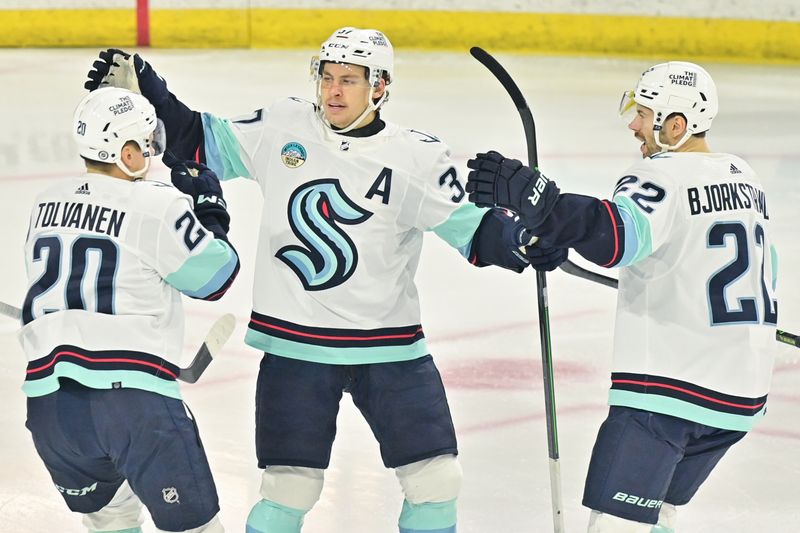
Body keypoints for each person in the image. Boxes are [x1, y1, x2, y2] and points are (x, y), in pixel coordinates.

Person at [83, 28, 566, 533]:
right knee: (288, 492)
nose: (333, 91)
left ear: (379, 87)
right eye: (327, 78)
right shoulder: (283, 124)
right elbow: (198, 142)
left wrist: (521, 241)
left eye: (349, 81)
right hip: (296, 346)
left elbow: (475, 229)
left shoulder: (418, 156)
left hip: (391, 348)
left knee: (438, 482)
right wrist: (150, 91)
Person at [466, 61, 778, 532]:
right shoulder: (745, 178)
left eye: (645, 115)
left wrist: (545, 204)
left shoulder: (660, 176)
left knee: (618, 523)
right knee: (658, 513)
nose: (634, 125)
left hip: (670, 392)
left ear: (676, 125)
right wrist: (555, 229)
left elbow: (616, 240)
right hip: (740, 397)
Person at [19, 87, 240, 533]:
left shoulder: (45, 202)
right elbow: (216, 278)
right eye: (146, 143)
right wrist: (211, 211)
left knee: (113, 523)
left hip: (50, 407)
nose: (152, 152)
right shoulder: (157, 204)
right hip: (133, 403)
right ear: (126, 152)